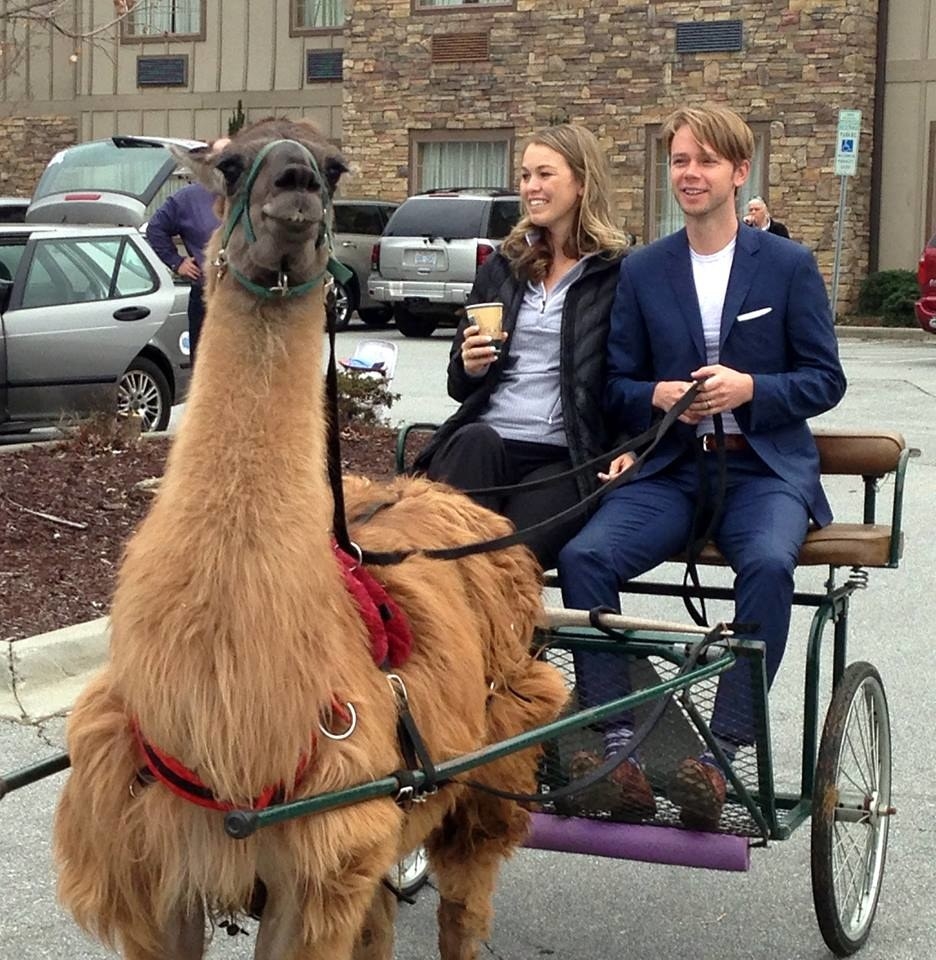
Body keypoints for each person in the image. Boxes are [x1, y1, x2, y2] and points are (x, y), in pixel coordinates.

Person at [558, 105, 846, 829]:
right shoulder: (647, 268)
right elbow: (616, 384)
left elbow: (824, 378)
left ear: (738, 172)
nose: (690, 173)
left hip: (761, 470)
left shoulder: (786, 264)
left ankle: (717, 755)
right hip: (675, 470)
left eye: (706, 162)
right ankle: (617, 742)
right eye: (680, 161)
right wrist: (655, 396)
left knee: (770, 567)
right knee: (584, 557)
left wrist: (753, 391)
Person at [413, 124, 630, 570]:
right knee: (449, 540)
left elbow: (635, 374)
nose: (531, 187)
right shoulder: (504, 265)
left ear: (582, 183)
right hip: (488, 438)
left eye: (545, 175)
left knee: (506, 561)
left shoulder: (619, 273)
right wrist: (471, 364)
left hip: (565, 452)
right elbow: (459, 383)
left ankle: (483, 638)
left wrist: (629, 446)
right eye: (526, 176)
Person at [146, 137, 229, 363]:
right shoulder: (187, 198)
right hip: (205, 298)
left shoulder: (250, 196)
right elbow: (155, 229)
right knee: (206, 366)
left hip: (246, 299)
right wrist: (177, 262)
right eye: (220, 158)